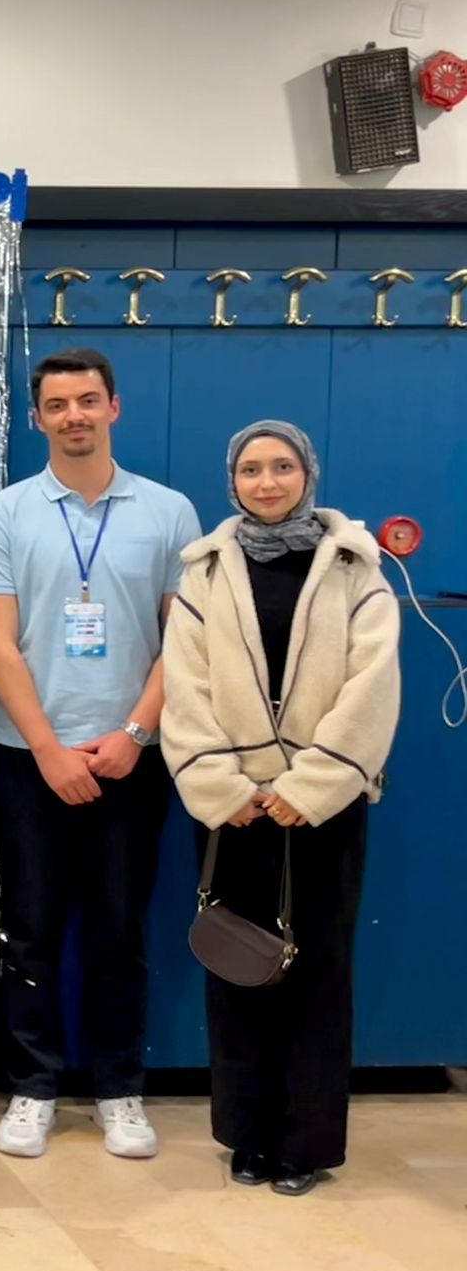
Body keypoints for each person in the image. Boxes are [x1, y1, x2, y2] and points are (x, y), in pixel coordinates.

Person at [0, 346, 201, 1160]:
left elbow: (185, 640)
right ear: (38, 419)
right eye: (59, 405)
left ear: (113, 408)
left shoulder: (169, 512)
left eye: (88, 401)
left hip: (132, 758)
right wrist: (47, 750)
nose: (75, 416)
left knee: (118, 932)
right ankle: (31, 1088)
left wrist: (134, 733)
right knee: (28, 931)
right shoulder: (3, 514)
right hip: (23, 758)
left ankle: (119, 1089)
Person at [162, 420, 399, 1195]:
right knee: (238, 965)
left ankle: (306, 1143)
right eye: (251, 469)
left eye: (282, 467)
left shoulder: (356, 568)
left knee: (318, 971)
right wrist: (223, 788)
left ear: (308, 475)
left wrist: (310, 787)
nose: (267, 482)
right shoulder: (204, 571)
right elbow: (185, 686)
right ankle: (248, 1135)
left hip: (323, 809)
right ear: (232, 482)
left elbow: (372, 687)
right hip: (234, 809)